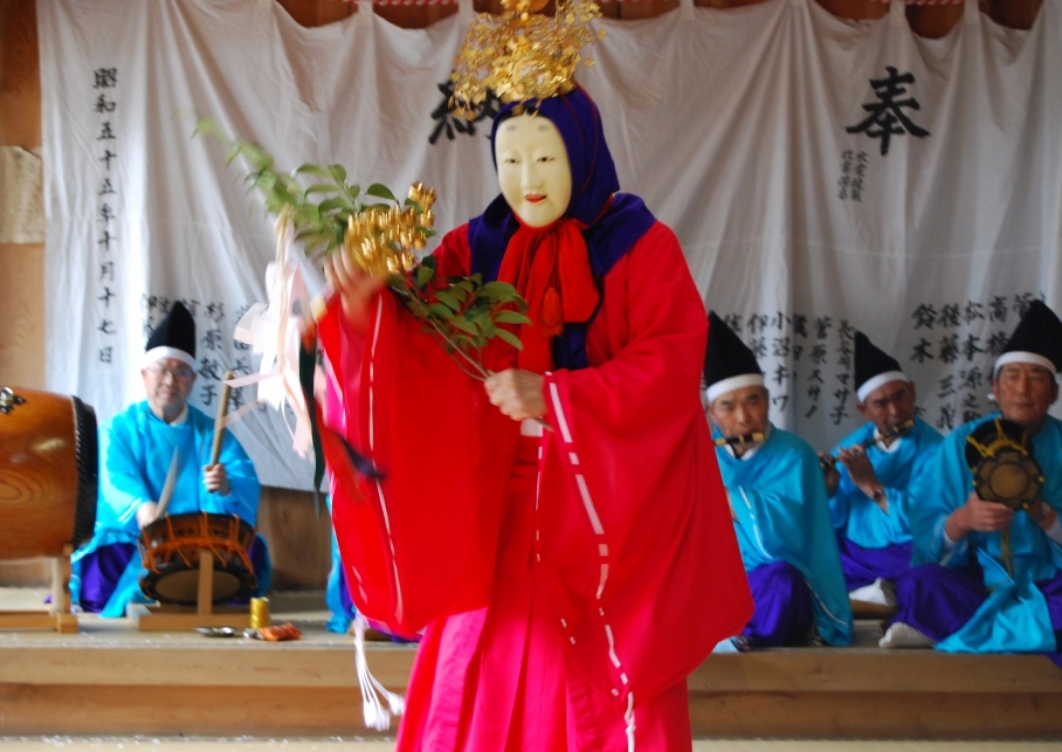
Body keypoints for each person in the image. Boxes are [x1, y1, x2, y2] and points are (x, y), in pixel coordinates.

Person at [317, 86, 751, 750]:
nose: (527, 180)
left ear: (582, 155)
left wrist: (557, 399)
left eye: (545, 159)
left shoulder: (643, 248)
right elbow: (412, 344)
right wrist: (361, 302)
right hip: (496, 514)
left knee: (603, 689)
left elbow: (667, 367)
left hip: (601, 519)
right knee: (473, 677)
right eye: (511, 160)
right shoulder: (475, 250)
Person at [882, 300, 1062, 651]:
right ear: (994, 388)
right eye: (1012, 376)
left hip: (1049, 581)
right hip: (978, 580)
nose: (1023, 389)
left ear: (1053, 393)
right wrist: (963, 520)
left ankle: (946, 628)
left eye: (1036, 377)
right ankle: (1011, 631)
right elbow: (926, 532)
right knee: (921, 582)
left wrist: (1044, 514)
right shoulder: (961, 444)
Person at [71, 302, 269, 617]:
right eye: (162, 369)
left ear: (192, 379)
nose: (169, 381)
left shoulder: (211, 433)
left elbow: (240, 474)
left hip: (199, 539)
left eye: (181, 372)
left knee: (249, 549)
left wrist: (227, 486)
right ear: (145, 375)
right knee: (107, 555)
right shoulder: (119, 429)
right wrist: (141, 507)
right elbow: (114, 476)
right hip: (140, 533)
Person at [705, 311, 852, 649]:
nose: (743, 417)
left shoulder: (794, 454)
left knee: (781, 581)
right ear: (712, 413)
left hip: (771, 581)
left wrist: (727, 498)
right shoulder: (702, 456)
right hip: (718, 582)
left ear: (768, 401)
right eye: (728, 406)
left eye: (753, 401)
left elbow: (788, 537)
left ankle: (749, 638)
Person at [821, 331, 943, 608]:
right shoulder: (850, 446)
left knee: (928, 571)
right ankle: (874, 593)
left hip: (906, 551)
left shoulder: (938, 451)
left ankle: (875, 594)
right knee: (812, 559)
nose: (895, 410)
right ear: (864, 410)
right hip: (855, 553)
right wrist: (828, 492)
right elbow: (835, 523)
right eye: (880, 404)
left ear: (912, 391)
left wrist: (871, 485)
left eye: (900, 397)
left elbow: (925, 523)